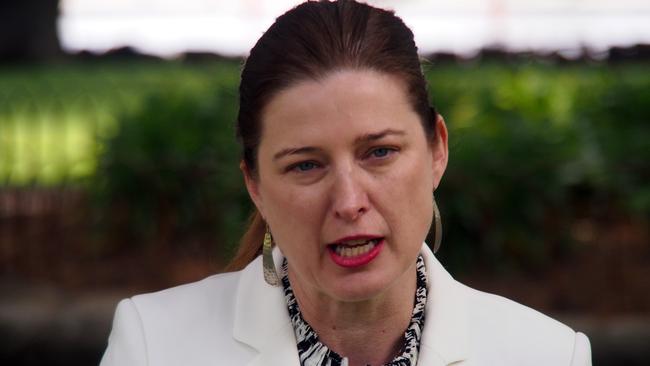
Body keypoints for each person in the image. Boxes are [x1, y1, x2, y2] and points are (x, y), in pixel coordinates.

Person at [99, 1, 592, 365]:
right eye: (306, 165)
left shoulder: (548, 354)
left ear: (437, 150)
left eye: (379, 153)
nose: (349, 202)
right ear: (255, 184)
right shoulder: (154, 345)